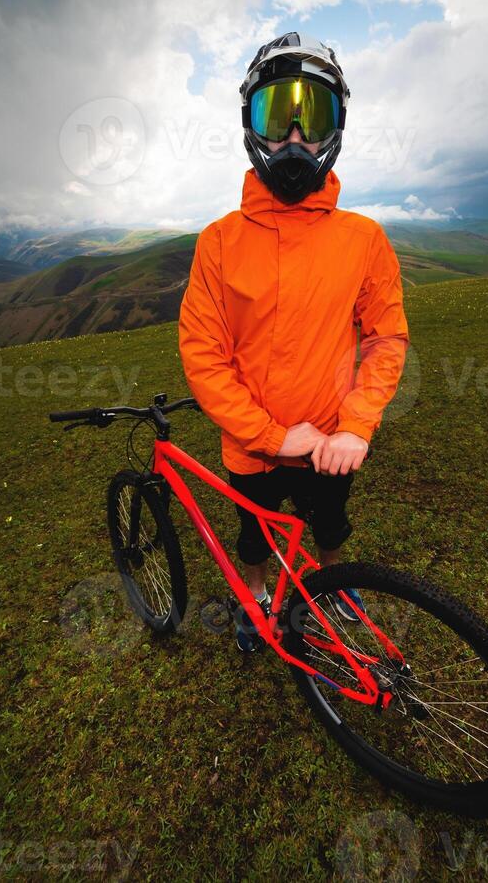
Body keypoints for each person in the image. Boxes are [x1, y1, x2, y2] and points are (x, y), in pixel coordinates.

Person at [178, 32, 410, 651]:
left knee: (329, 525)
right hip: (252, 448)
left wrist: (356, 427)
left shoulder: (364, 238)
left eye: (315, 116)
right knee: (254, 537)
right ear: (250, 124)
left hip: (333, 440)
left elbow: (386, 338)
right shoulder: (219, 241)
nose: (295, 138)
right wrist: (275, 436)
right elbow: (204, 356)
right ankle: (255, 601)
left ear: (338, 127)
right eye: (278, 115)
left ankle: (334, 586)